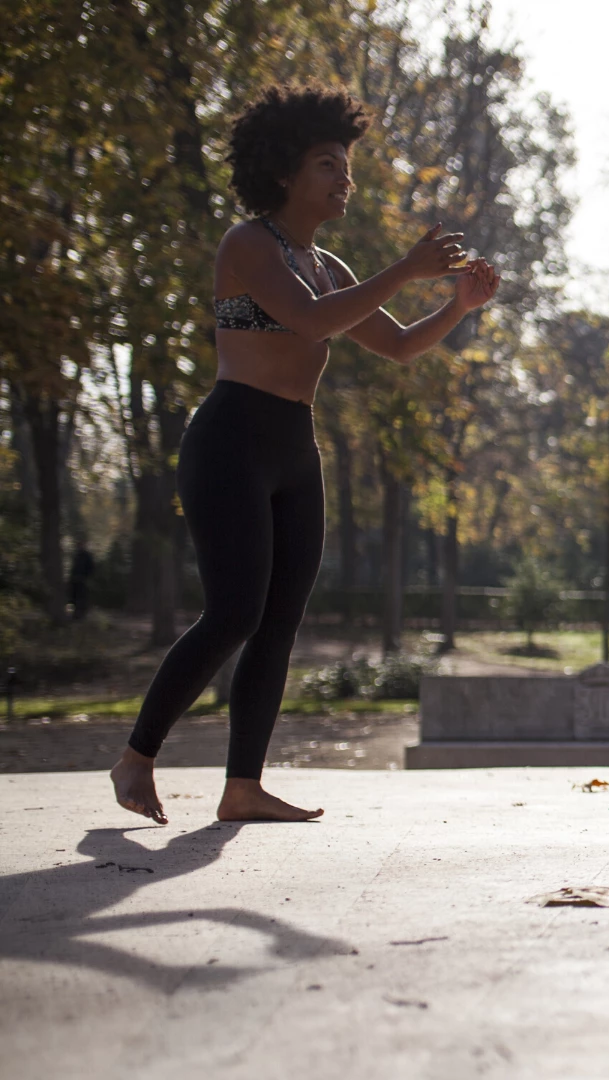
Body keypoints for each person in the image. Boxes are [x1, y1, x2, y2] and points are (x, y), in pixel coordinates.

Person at [111, 83, 501, 825]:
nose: (344, 178)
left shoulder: (325, 263)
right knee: (232, 612)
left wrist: (455, 306)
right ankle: (135, 758)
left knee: (280, 620)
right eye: (329, 163)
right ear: (285, 170)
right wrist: (407, 270)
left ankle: (242, 787)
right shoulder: (248, 246)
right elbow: (310, 322)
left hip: (294, 448)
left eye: (347, 164)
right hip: (230, 440)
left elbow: (396, 346)